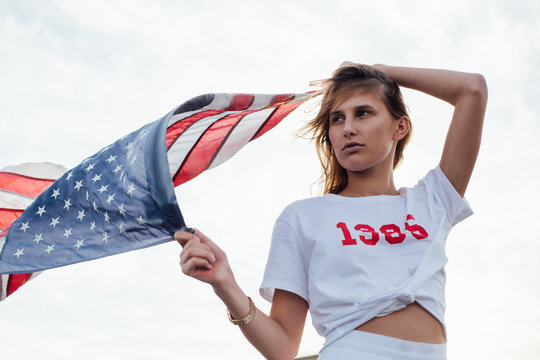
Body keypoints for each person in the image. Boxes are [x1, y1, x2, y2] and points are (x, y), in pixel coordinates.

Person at [174, 63, 488, 360]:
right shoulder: (302, 218)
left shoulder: (433, 201)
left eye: (363, 113)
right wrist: (225, 283)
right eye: (337, 119)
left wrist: (380, 71)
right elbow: (283, 347)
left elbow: (472, 89)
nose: (348, 128)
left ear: (400, 126)